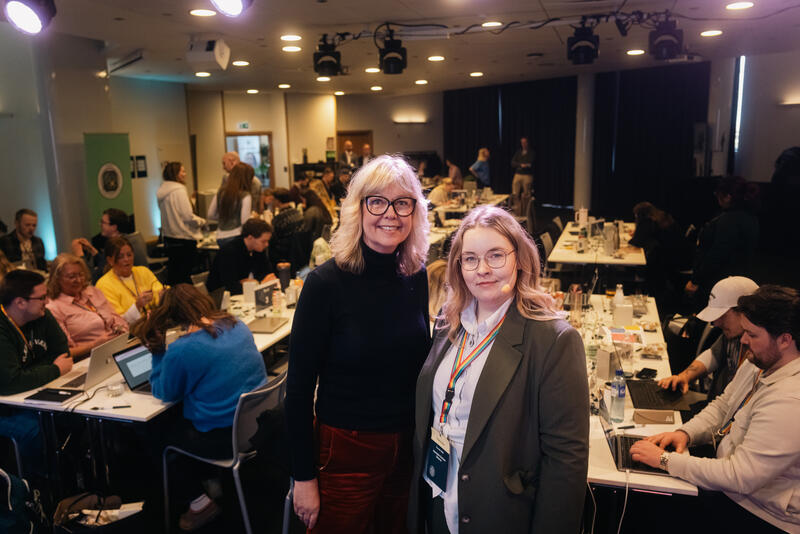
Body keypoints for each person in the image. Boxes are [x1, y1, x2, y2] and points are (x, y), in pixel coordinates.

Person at [408, 205, 589, 533]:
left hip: (500, 514)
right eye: (471, 258)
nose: (482, 269)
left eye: (495, 255)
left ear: (519, 259)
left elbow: (566, 463)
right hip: (438, 503)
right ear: (459, 266)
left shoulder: (553, 340)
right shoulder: (447, 325)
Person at [287, 155, 431, 532]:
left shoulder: (415, 277)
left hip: (406, 448)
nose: (391, 213)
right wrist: (303, 478)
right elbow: (298, 391)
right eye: (377, 201)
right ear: (358, 209)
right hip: (346, 451)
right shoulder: (324, 285)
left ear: (415, 212)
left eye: (403, 203)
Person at [630, 285, 800, 533]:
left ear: (785, 340)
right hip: (733, 492)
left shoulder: (790, 400)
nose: (743, 340)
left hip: (759, 515)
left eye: (752, 334)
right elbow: (723, 406)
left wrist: (665, 460)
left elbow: (739, 476)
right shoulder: (761, 362)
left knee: (644, 511)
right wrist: (685, 433)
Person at [133, 283, 267, 531]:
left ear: (171, 315)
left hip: (223, 438)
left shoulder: (183, 349)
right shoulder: (236, 324)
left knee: (152, 431)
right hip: (255, 426)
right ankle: (210, 483)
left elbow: (164, 392)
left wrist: (158, 350)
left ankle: (199, 502)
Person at [0, 270, 72, 474]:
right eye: (41, 297)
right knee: (36, 430)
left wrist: (29, 373)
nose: (47, 302)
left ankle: (73, 481)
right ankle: (38, 493)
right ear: (20, 302)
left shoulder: (41, 314)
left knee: (72, 416)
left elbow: (63, 353)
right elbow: (10, 382)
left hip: (32, 393)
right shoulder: (2, 327)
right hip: (5, 408)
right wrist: (54, 369)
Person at [659, 276, 758, 401]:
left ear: (745, 312)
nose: (716, 323)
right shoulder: (733, 334)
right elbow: (714, 354)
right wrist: (684, 377)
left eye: (722, 315)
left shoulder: (761, 352)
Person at [685, 176, 759, 309]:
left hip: (717, 282)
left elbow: (716, 255)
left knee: (712, 318)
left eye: (718, 195)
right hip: (737, 278)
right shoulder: (751, 218)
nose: (716, 198)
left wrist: (696, 280)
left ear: (728, 197)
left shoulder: (728, 220)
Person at [45, 253, 128, 360]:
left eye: (81, 274)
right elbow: (65, 352)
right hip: (88, 360)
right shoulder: (53, 307)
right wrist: (95, 344)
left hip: (116, 349)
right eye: (72, 277)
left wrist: (120, 329)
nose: (78, 280)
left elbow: (116, 318)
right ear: (57, 279)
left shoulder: (93, 291)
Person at [628, 201, 687, 315]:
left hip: (657, 269)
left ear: (640, 215)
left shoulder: (648, 223)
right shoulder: (661, 219)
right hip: (670, 263)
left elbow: (636, 242)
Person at [157, 162, 205, 285]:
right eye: (182, 171)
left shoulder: (162, 191)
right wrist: (201, 221)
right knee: (185, 277)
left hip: (169, 238)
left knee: (175, 275)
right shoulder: (179, 190)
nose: (185, 174)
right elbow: (187, 215)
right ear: (175, 174)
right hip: (184, 239)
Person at [96, 236, 164, 324]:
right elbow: (117, 321)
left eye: (129, 255)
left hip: (155, 320)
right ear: (110, 260)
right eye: (120, 257)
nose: (127, 259)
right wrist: (137, 305)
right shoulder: (103, 285)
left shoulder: (143, 271)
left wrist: (163, 295)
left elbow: (159, 293)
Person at [206, 218, 274, 295]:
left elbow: (267, 274)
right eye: (263, 241)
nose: (267, 244)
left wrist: (254, 282)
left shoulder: (258, 250)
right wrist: (256, 283)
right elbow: (230, 286)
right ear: (250, 238)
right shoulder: (229, 252)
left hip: (243, 294)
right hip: (220, 297)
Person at [71, 207, 128, 281]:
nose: (100, 224)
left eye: (103, 222)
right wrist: (92, 250)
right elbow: (105, 264)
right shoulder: (121, 241)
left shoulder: (117, 248)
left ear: (114, 227)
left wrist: (79, 254)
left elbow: (92, 277)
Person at [207, 162, 254, 248]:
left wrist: (225, 216)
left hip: (220, 236)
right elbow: (245, 221)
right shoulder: (245, 195)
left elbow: (210, 215)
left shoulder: (221, 192)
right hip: (236, 235)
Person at [268, 189, 305, 272]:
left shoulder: (279, 219)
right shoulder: (298, 213)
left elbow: (273, 239)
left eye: (273, 200)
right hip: (300, 253)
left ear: (277, 201)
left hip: (284, 254)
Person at [510, 137, 534, 216]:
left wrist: (525, 165)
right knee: (515, 193)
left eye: (525, 142)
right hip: (518, 174)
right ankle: (518, 210)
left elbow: (531, 163)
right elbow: (513, 162)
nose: (523, 144)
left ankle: (525, 212)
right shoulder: (518, 152)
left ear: (528, 143)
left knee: (526, 194)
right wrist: (520, 164)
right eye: (522, 143)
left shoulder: (531, 152)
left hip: (527, 175)